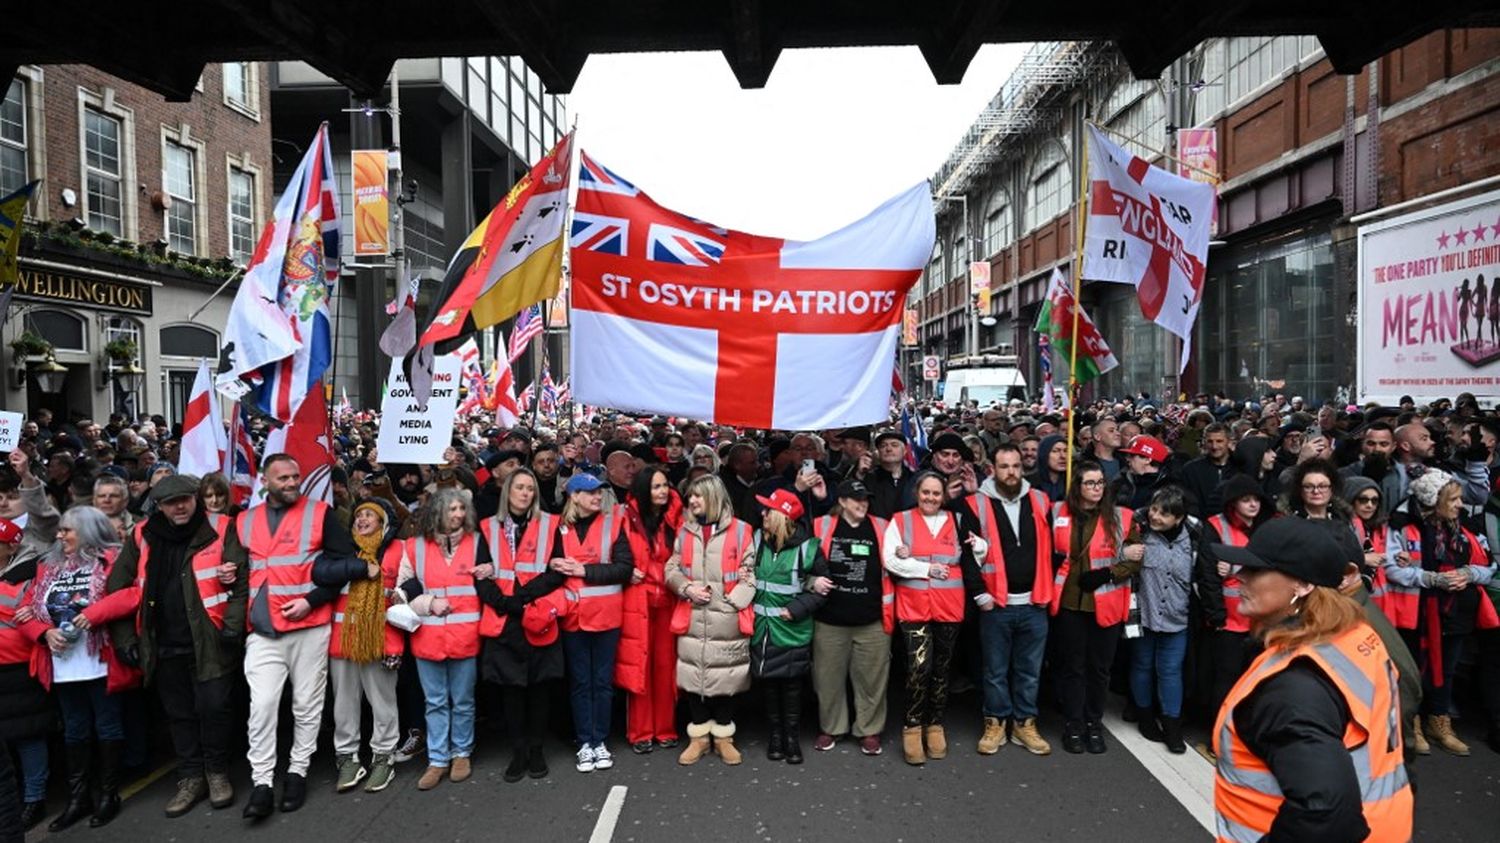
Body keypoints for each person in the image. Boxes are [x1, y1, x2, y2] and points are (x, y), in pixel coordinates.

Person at [1209, 518, 1412, 843]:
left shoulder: (1291, 686)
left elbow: (1328, 813)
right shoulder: (1355, 636)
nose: (1239, 576)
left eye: (1256, 570)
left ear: (1303, 585)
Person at [222, 454, 366, 820]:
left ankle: (297, 772)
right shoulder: (244, 520)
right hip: (263, 631)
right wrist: (226, 573)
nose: (291, 483)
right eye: (282, 478)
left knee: (306, 705)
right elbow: (237, 571)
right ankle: (262, 782)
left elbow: (344, 566)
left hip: (310, 624)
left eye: (295, 476)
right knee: (263, 705)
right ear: (265, 482)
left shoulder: (320, 513)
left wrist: (311, 600)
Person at [102, 475, 243, 817]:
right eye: (170, 502)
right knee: (179, 715)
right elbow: (116, 590)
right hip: (162, 644)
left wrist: (232, 628)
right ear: (159, 507)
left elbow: (243, 581)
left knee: (214, 709)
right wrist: (125, 639)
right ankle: (191, 777)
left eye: (185, 499)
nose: (179, 506)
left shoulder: (222, 527)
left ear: (195, 499)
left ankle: (217, 772)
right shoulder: (142, 535)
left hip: (211, 641)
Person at [19, 506, 131, 830]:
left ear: (87, 530)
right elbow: (25, 612)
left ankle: (109, 795)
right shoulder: (48, 567)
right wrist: (44, 632)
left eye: (67, 530)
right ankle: (79, 798)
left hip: (99, 659)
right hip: (63, 664)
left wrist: (95, 614)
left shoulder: (112, 559)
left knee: (108, 727)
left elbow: (132, 594)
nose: (60, 536)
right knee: (75, 730)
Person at [1384, 472, 1499, 756]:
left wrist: (1469, 573)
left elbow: (1490, 566)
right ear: (1434, 501)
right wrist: (1432, 578)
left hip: (1457, 610)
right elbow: (1393, 569)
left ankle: (1440, 721)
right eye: (1454, 499)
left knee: (1446, 670)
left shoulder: (1465, 528)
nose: (1461, 504)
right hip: (1418, 610)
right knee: (1416, 668)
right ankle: (1415, 723)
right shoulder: (1403, 526)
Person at [473, 468, 568, 783]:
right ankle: (518, 751)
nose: (526, 493)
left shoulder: (550, 524)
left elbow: (557, 571)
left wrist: (523, 597)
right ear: (508, 492)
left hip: (537, 613)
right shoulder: (486, 527)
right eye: (520, 488)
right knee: (511, 690)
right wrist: (504, 603)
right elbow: (481, 576)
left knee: (540, 687)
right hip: (503, 619)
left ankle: (537, 749)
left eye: (530, 489)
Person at [884, 471, 985, 765]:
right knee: (918, 667)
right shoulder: (901, 520)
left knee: (942, 668)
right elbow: (890, 559)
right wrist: (923, 569)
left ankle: (935, 724)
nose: (930, 498)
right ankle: (912, 726)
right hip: (913, 606)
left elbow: (975, 555)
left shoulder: (956, 520)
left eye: (936, 493)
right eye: (925, 492)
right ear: (917, 493)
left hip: (949, 606)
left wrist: (980, 546)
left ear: (944, 496)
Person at [964, 443, 1054, 756]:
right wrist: (980, 595)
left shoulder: (1041, 500)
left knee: (1030, 670)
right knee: (996, 670)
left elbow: (1053, 552)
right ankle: (996, 721)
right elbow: (967, 555)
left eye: (1016, 465)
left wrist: (1048, 591)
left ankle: (1024, 723)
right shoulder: (975, 504)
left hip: (1034, 603)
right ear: (992, 468)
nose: (1011, 472)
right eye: (1004, 466)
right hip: (996, 604)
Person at [1050, 462, 1143, 755]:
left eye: (1100, 482)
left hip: (1105, 602)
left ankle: (1093, 723)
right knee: (1073, 667)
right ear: (1077, 486)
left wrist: (1108, 574)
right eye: (1089, 483)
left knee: (1099, 669)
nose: (1096, 488)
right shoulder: (1057, 513)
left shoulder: (1122, 517)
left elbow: (1137, 556)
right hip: (1069, 603)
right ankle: (1074, 724)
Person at [665, 474, 757, 765]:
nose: (691, 501)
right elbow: (672, 568)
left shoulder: (742, 531)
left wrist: (733, 602)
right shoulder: (684, 532)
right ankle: (700, 738)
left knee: (726, 678)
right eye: (691, 495)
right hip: (692, 616)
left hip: (726, 619)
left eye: (698, 496)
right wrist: (685, 587)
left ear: (714, 497)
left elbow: (750, 573)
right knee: (694, 677)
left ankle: (724, 737)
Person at [399, 487, 484, 790]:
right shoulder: (413, 547)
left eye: (462, 509)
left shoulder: (477, 543)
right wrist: (428, 603)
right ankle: (437, 759)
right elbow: (399, 593)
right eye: (452, 509)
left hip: (465, 636)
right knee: (435, 702)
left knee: (462, 701)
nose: (459, 515)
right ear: (438, 512)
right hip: (428, 636)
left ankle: (461, 753)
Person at [553, 473, 635, 773]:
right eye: (589, 493)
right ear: (573, 496)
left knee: (601, 683)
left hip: (605, 616)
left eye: (599, 493)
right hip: (573, 616)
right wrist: (554, 564)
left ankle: (598, 740)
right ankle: (584, 742)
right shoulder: (557, 528)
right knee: (580, 683)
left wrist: (583, 570)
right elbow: (550, 565)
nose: (597, 497)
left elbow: (624, 569)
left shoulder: (614, 524)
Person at [809, 480, 892, 756]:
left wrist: (901, 554)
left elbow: (894, 564)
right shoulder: (821, 525)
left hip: (872, 619)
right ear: (842, 501)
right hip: (830, 619)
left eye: (865, 498)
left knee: (872, 679)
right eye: (856, 498)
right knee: (827, 679)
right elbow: (802, 562)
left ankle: (869, 730)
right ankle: (831, 728)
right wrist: (812, 581)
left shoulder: (881, 526)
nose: (862, 503)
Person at [748, 489, 831, 764]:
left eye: (768, 510)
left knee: (792, 686)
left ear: (783, 516)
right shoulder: (756, 539)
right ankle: (775, 735)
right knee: (769, 684)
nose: (763, 514)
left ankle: (792, 738)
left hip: (792, 627)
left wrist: (796, 609)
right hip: (763, 628)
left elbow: (823, 587)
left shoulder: (808, 547)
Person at [327, 499, 404, 795]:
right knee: (344, 703)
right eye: (359, 515)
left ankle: (384, 756)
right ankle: (347, 757)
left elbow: (410, 586)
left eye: (370, 515)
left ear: (384, 521)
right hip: (343, 638)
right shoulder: (342, 550)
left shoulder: (399, 550)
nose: (362, 519)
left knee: (382, 701)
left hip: (380, 639)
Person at [619, 467, 684, 755]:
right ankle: (640, 732)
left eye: (664, 485)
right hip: (638, 601)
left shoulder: (678, 519)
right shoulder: (625, 519)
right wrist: (626, 572)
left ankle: (666, 729)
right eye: (655, 486)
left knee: (665, 667)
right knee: (640, 667)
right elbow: (617, 556)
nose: (661, 491)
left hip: (668, 602)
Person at [1129, 487, 1198, 754]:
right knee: (1142, 665)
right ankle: (1145, 718)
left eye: (1164, 513)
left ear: (1178, 519)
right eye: (1155, 509)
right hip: (1144, 615)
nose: (1156, 516)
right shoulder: (1141, 530)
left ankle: (1172, 726)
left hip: (1176, 618)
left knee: (1170, 671)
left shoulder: (1194, 536)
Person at [0, 518, 51, 831]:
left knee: (28, 735)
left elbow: (33, 614)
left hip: (19, 665)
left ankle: (34, 798)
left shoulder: (28, 575)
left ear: (11, 546)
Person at [1180, 423, 1236, 520]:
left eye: (1219, 441)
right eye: (1210, 441)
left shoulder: (1240, 467)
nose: (1214, 446)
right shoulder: (1191, 470)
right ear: (1204, 442)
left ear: (1229, 442)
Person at [1111, 435, 1175, 511]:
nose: (1127, 459)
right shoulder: (1121, 479)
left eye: (1131, 456)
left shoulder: (1168, 487)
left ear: (1147, 460)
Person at [866, 430, 916, 519]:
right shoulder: (868, 479)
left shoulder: (915, 480)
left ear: (904, 451)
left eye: (894, 445)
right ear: (878, 452)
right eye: (883, 446)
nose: (888, 449)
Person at [1028, 433, 1068, 503]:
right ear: (1044, 454)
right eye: (1055, 451)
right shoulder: (1028, 483)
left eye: (1065, 451)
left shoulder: (1073, 482)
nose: (1063, 456)